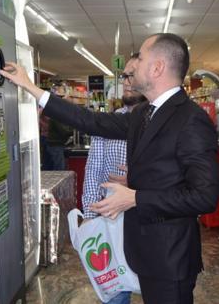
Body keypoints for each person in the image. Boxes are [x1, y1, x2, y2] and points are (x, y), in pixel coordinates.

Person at [1, 33, 219, 304]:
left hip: (170, 256)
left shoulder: (191, 120)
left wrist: (135, 196)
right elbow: (91, 121)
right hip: (144, 250)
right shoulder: (143, 113)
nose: (133, 65)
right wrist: (33, 89)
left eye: (140, 57)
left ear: (157, 67)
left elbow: (205, 195)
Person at [82, 55, 146, 304]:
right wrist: (88, 216)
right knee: (115, 289)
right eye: (125, 77)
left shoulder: (160, 123)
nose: (127, 83)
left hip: (150, 215)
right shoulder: (109, 122)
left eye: (133, 75)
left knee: (153, 285)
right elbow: (94, 169)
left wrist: (137, 180)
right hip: (111, 217)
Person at [45, 85, 74, 170]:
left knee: (58, 166)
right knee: (59, 168)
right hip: (55, 145)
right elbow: (63, 131)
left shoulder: (59, 113)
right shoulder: (57, 114)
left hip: (56, 144)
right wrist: (75, 130)